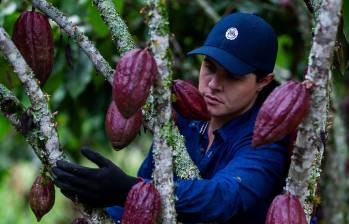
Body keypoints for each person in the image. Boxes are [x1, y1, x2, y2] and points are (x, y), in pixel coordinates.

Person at [52, 12, 289, 223]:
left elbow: (223, 199)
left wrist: (126, 190)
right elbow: (145, 183)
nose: (214, 84)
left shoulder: (266, 139)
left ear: (263, 81)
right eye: (210, 67)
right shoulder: (185, 118)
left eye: (233, 77)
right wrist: (107, 200)